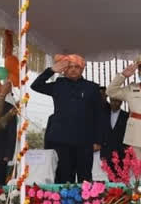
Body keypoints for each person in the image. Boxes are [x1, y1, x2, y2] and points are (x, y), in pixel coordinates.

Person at [31, 54, 103, 184]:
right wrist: (51, 70)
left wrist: (97, 140)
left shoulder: (92, 88)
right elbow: (35, 85)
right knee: (63, 178)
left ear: (82, 69)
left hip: (85, 141)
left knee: (85, 179)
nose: (73, 69)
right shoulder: (58, 85)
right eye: (69, 67)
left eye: (77, 67)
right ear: (64, 69)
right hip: (62, 141)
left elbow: (98, 115)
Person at [100, 97, 128, 172]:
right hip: (107, 153)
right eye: (112, 101)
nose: (114, 103)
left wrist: (128, 154)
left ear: (121, 102)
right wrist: (102, 154)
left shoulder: (126, 116)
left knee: (122, 179)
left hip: (122, 154)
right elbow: (102, 133)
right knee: (110, 179)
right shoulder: (104, 115)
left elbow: (129, 135)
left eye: (117, 101)